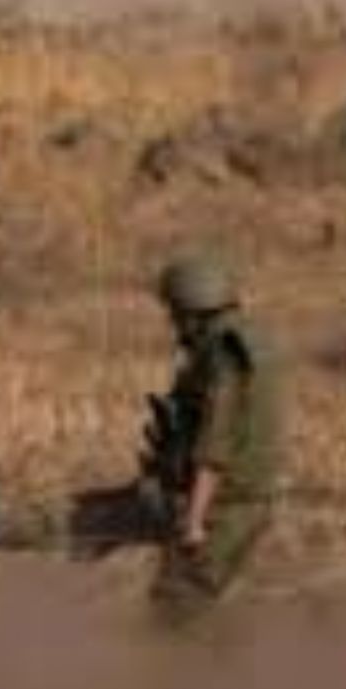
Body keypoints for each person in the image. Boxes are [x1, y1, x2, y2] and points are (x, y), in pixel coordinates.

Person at [139, 254, 283, 628]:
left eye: (174, 314)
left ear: (191, 313)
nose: (173, 324)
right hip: (242, 496)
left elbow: (213, 446)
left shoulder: (223, 355)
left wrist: (194, 521)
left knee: (173, 609)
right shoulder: (248, 340)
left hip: (225, 504)